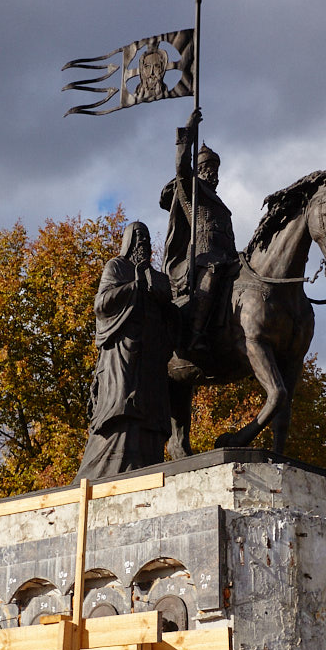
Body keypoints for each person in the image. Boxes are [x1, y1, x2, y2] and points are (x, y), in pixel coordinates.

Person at [75, 221, 175, 481]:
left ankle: (146, 461)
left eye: (147, 237)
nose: (144, 242)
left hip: (151, 356)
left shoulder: (155, 275)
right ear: (129, 240)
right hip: (123, 351)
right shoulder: (117, 266)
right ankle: (113, 464)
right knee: (123, 406)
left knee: (150, 412)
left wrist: (166, 300)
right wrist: (134, 286)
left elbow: (169, 315)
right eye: (139, 236)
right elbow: (101, 304)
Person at [160, 108, 237, 353]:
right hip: (202, 257)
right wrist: (189, 131)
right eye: (208, 168)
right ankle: (196, 334)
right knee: (211, 277)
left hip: (226, 256)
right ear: (200, 170)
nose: (213, 172)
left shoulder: (220, 202)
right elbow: (182, 166)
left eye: (215, 168)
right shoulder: (192, 190)